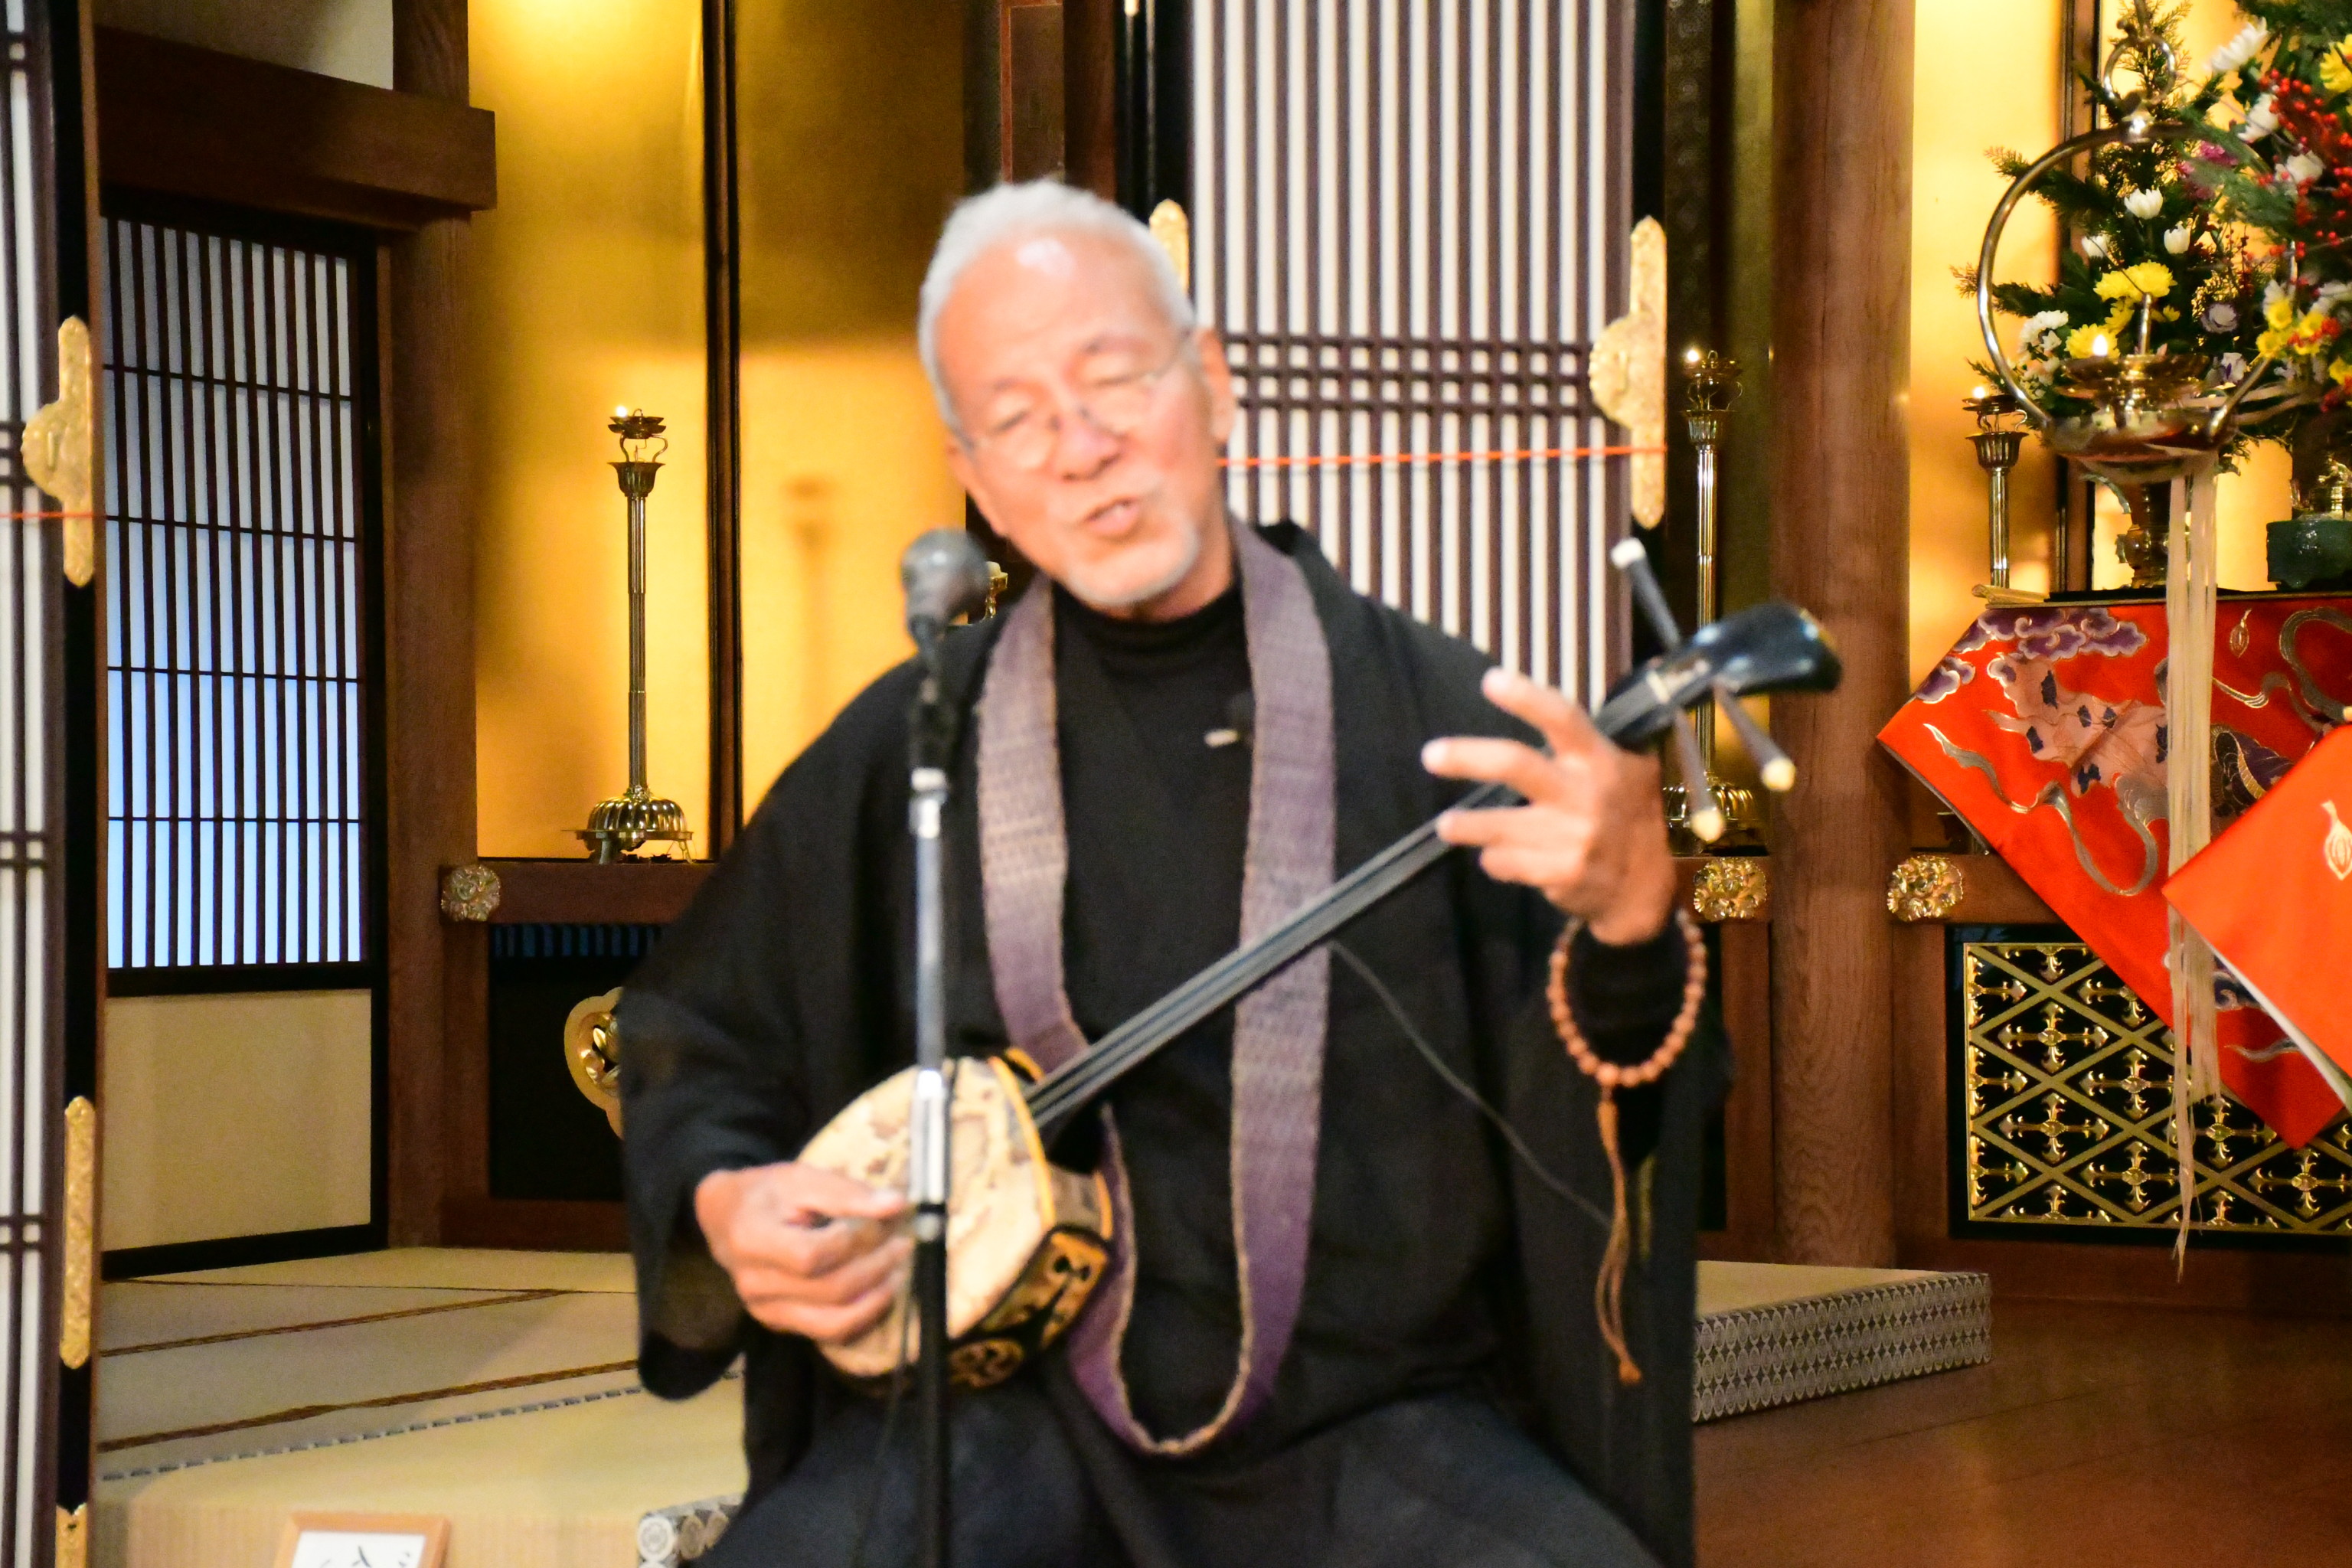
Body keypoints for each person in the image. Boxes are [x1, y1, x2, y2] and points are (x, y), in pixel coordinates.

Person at [619, 180, 1724, 1568]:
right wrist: (727, 1199)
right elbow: (704, 1034)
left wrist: (1633, 917)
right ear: (976, 476)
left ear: (1211, 383)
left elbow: (1624, 1103)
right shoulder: (913, 746)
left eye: (1114, 381)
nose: (1082, 449)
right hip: (998, 1419)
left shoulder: (1446, 723)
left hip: (1365, 1430)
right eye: (1019, 419)